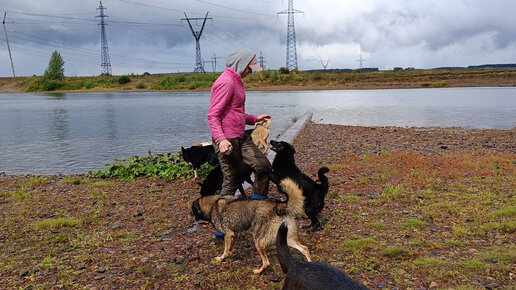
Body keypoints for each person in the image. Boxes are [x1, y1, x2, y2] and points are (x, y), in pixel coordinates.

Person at [207, 48, 271, 204]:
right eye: (250, 68)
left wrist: (255, 119)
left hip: (241, 136)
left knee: (263, 166)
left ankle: (258, 204)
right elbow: (213, 115)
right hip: (227, 139)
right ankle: (221, 223)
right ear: (241, 65)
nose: (251, 72)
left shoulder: (236, 80)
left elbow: (235, 112)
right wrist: (221, 140)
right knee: (232, 177)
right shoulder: (226, 82)